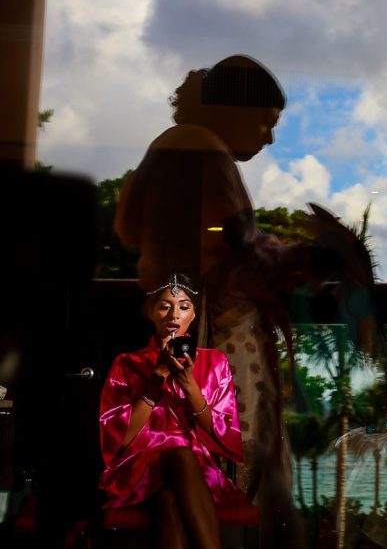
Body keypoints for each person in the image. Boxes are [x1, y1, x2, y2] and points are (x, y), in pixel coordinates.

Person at [115, 55, 306, 547]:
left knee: (172, 480)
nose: (268, 137)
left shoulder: (167, 146)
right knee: (212, 473)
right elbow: (231, 239)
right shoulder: (205, 149)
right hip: (209, 336)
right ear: (235, 108)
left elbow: (126, 227)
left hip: (162, 324)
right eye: (266, 121)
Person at [99, 273, 244, 549]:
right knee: (179, 454)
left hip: (196, 470)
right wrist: (155, 378)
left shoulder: (215, 361)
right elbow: (121, 439)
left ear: (193, 314)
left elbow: (223, 433)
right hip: (140, 465)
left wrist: (189, 385)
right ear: (151, 312)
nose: (174, 314)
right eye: (165, 306)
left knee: (169, 500)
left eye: (184, 306)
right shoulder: (127, 363)